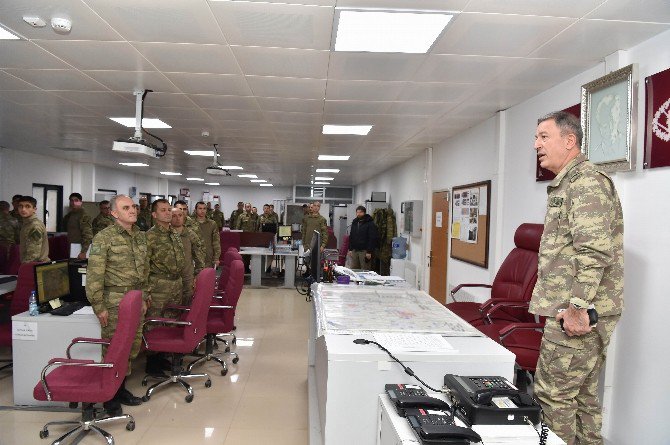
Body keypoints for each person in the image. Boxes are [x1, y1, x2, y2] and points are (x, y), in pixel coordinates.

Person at [531, 111, 624, 445]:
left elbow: (594, 252)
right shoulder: (570, 182)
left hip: (577, 314)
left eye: (544, 136)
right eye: (536, 137)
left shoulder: (585, 182)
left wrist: (576, 307)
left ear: (569, 141)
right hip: (577, 310)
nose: (536, 144)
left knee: (553, 397)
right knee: (582, 399)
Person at [86, 195, 147, 413]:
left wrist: (145, 296)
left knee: (131, 348)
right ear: (114, 213)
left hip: (136, 299)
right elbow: (94, 274)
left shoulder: (139, 236)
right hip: (114, 302)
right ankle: (110, 397)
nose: (132, 211)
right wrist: (98, 305)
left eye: (133, 207)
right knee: (113, 349)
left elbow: (145, 269)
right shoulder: (104, 237)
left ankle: (121, 389)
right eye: (126, 207)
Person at [144, 199, 185, 374]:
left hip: (175, 284)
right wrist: (146, 291)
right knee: (155, 323)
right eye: (163, 210)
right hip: (158, 285)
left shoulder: (174, 234)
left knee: (171, 321)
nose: (168, 213)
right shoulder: (149, 236)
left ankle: (163, 358)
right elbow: (144, 265)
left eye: (169, 209)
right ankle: (152, 363)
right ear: (154, 215)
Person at [171, 207, 205, 304]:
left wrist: (197, 276)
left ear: (184, 217)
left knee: (187, 305)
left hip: (187, 277)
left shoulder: (191, 234)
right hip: (170, 280)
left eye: (180, 215)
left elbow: (199, 258)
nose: (177, 218)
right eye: (174, 216)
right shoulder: (166, 234)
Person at [17, 196, 49, 263]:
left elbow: (33, 254)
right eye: (20, 206)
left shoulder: (34, 225)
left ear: (34, 209)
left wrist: (24, 268)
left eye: (27, 206)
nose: (23, 209)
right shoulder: (27, 223)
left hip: (36, 266)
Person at [62, 192, 93, 260]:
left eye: (76, 200)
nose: (73, 203)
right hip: (71, 248)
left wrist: (83, 252)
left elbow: (87, 236)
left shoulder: (84, 216)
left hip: (79, 250)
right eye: (71, 200)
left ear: (81, 202)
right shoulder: (68, 216)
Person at [195, 201, 221, 268]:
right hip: (193, 257)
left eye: (204, 208)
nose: (202, 211)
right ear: (196, 210)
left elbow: (216, 242)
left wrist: (216, 257)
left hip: (208, 256)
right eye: (200, 208)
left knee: (207, 276)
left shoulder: (212, 224)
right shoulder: (190, 223)